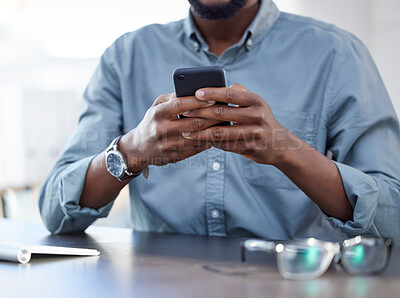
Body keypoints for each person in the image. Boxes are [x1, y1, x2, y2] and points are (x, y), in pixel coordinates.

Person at [39, 0, 400, 242]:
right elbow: (56, 213)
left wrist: (288, 152)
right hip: (157, 285)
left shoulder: (337, 55)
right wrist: (131, 152)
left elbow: (393, 218)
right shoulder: (125, 56)